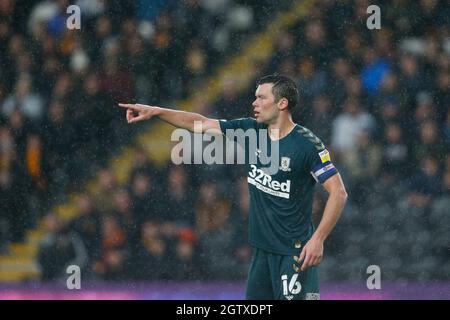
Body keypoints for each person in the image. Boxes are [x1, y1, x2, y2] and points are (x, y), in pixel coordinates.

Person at [118, 74, 348, 300]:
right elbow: (201, 124)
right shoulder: (250, 131)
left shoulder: (306, 144)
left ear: (282, 103)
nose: (254, 102)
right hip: (261, 254)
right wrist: (157, 111)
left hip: (295, 254)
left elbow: (338, 192)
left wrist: (318, 239)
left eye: (261, 97)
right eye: (254, 97)